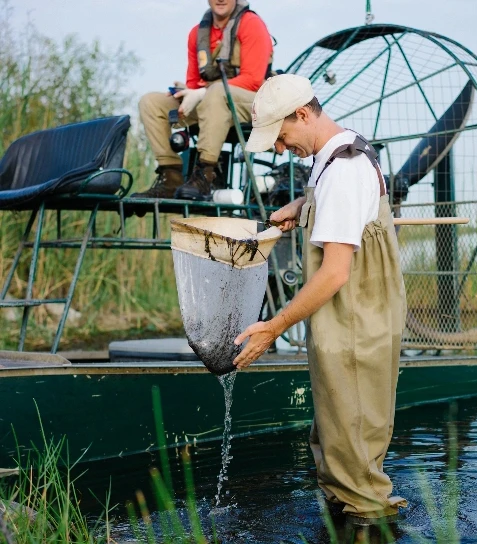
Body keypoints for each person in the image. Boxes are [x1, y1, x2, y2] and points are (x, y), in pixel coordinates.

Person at [233, 74, 408, 526]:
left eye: (281, 135)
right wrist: (301, 205)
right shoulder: (338, 150)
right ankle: (343, 515)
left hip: (354, 318)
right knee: (335, 432)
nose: (278, 148)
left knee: (354, 447)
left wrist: (272, 327)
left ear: (304, 114)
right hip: (349, 317)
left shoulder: (344, 171)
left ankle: (371, 525)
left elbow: (334, 273)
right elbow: (334, 195)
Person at [132, 0, 273, 201]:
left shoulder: (251, 23)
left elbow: (253, 80)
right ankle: (170, 176)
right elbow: (194, 83)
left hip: (252, 103)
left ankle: (204, 175)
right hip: (213, 101)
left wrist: (201, 93)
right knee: (151, 102)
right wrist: (186, 93)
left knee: (216, 92)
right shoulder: (197, 34)